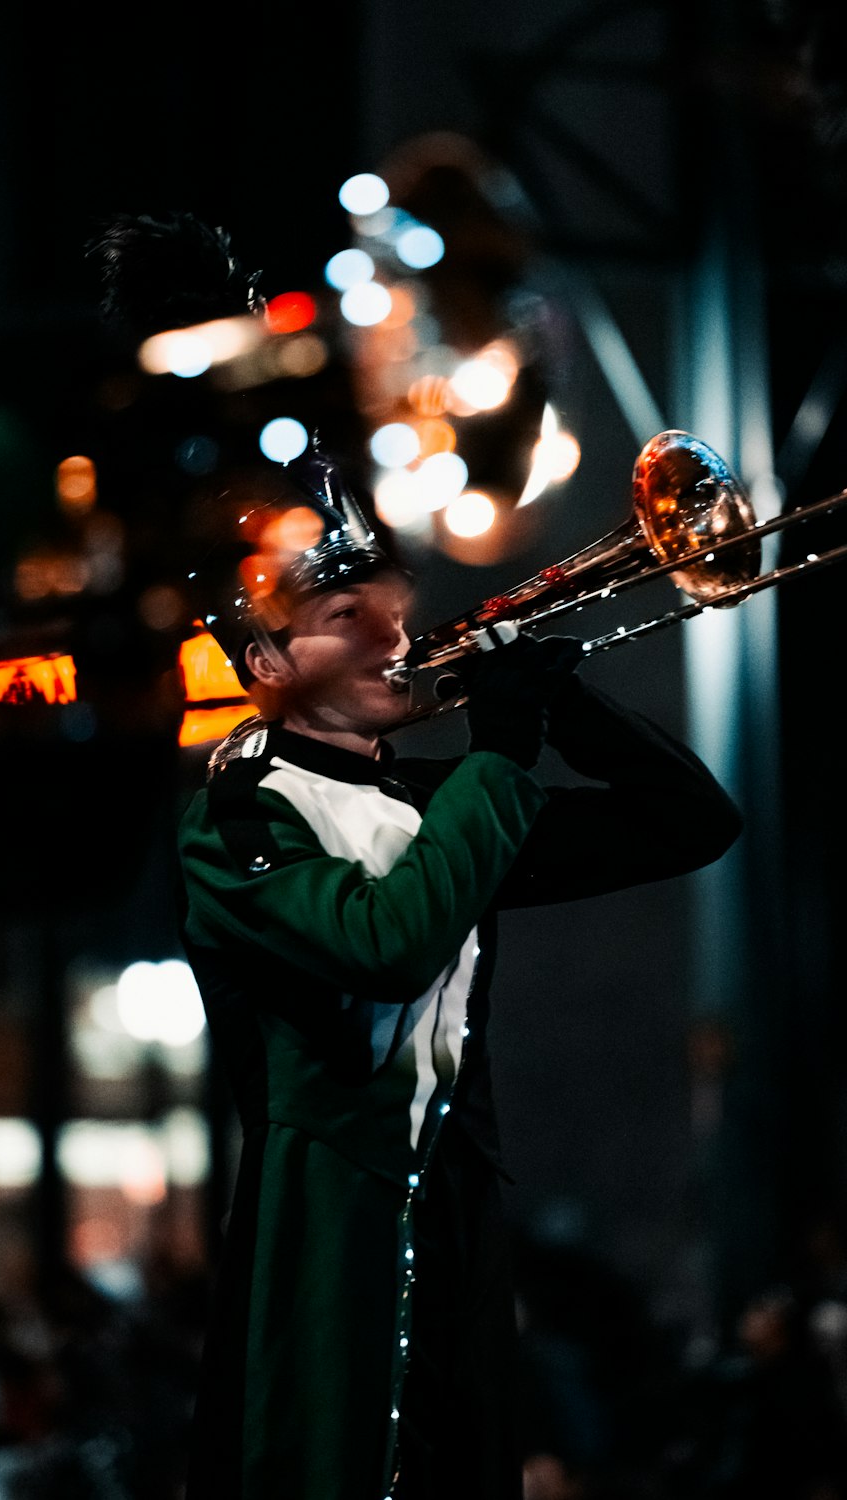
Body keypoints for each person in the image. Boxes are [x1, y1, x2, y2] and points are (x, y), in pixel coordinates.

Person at [174, 436, 745, 1500]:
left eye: (396, 608)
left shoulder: (442, 800)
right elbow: (384, 944)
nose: (397, 636)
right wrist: (499, 755)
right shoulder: (233, 816)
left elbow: (692, 822)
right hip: (323, 1211)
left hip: (459, 1203)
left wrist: (567, 706)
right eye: (351, 620)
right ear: (266, 663)